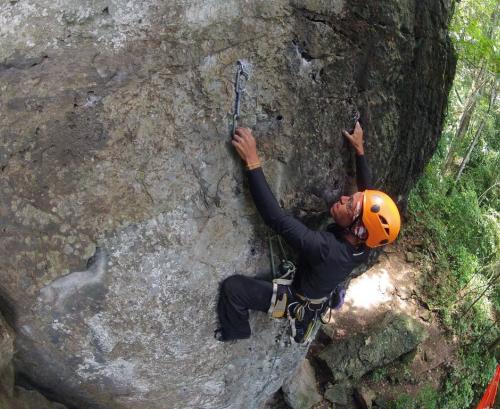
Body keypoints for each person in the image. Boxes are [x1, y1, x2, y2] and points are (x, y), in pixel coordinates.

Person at [216, 122, 401, 343]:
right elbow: (365, 194)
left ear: (358, 229)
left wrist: (252, 161)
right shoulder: (366, 242)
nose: (343, 198)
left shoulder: (327, 250)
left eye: (348, 204)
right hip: (320, 285)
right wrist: (359, 149)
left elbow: (275, 218)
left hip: (295, 299)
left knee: (233, 288)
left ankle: (236, 331)